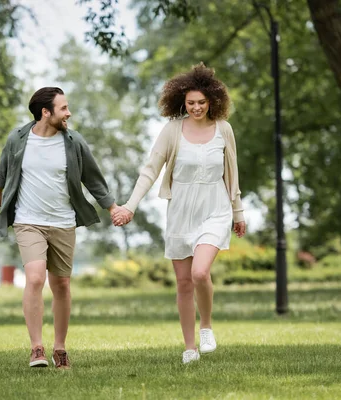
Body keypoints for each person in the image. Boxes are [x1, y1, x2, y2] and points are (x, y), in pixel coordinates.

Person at [112, 64, 246, 364]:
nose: (197, 108)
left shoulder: (224, 130)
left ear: (212, 100)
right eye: (191, 103)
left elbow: (232, 174)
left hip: (215, 207)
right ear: (182, 103)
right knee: (184, 282)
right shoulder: (173, 130)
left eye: (201, 102)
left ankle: (207, 326)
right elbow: (150, 170)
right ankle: (189, 347)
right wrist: (130, 205)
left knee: (200, 272)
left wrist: (238, 213)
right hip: (181, 210)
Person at [0, 87, 121, 369]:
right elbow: (3, 170)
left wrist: (112, 207)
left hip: (63, 222)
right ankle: (36, 348)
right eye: (63, 108)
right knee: (36, 278)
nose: (69, 113)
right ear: (45, 112)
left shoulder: (73, 142)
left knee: (61, 284)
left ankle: (60, 348)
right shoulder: (18, 139)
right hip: (29, 221)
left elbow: (93, 178)